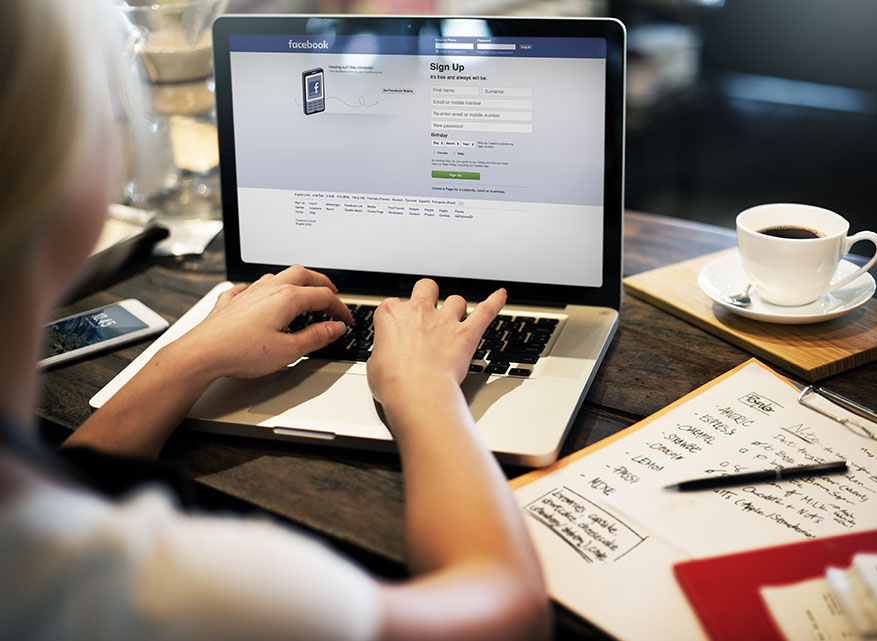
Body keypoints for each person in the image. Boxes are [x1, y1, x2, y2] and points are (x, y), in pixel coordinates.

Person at [0, 1, 549, 639]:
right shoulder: (174, 587)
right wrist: (424, 391)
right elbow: (507, 613)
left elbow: (73, 488)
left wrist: (186, 358)